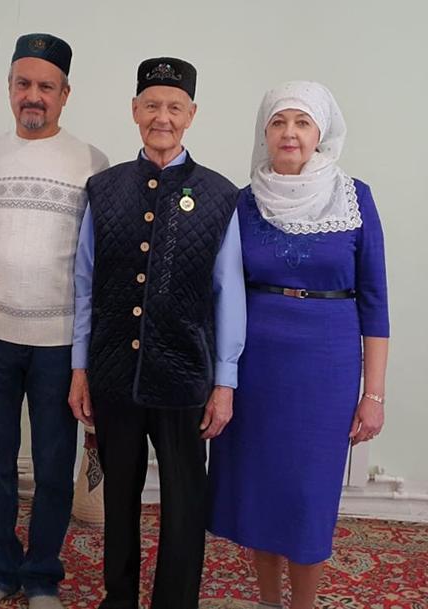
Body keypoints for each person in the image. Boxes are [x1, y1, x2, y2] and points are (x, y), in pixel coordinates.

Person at [68, 57, 246, 609]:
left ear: (191, 114)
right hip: (114, 372)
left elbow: (229, 293)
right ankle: (118, 597)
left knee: (185, 502)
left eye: (174, 107)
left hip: (185, 375)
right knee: (117, 498)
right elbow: (85, 284)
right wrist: (80, 368)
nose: (161, 117)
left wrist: (225, 382)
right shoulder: (104, 189)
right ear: (134, 111)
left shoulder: (220, 195)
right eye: (151, 105)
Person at [207, 81, 390, 609]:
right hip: (257, 367)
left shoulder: (355, 198)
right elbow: (223, 291)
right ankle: (269, 602)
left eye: (302, 122)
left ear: (320, 132)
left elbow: (375, 300)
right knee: (261, 493)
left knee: (309, 497)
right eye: (279, 122)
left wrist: (373, 394)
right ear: (264, 132)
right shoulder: (242, 203)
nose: (290, 133)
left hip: (325, 368)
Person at [0, 33, 108, 609]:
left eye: (46, 86)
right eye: (23, 83)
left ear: (65, 94)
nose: (33, 95)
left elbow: (97, 258)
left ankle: (43, 574)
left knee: (52, 466)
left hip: (59, 343)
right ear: (8, 87)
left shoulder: (91, 163)